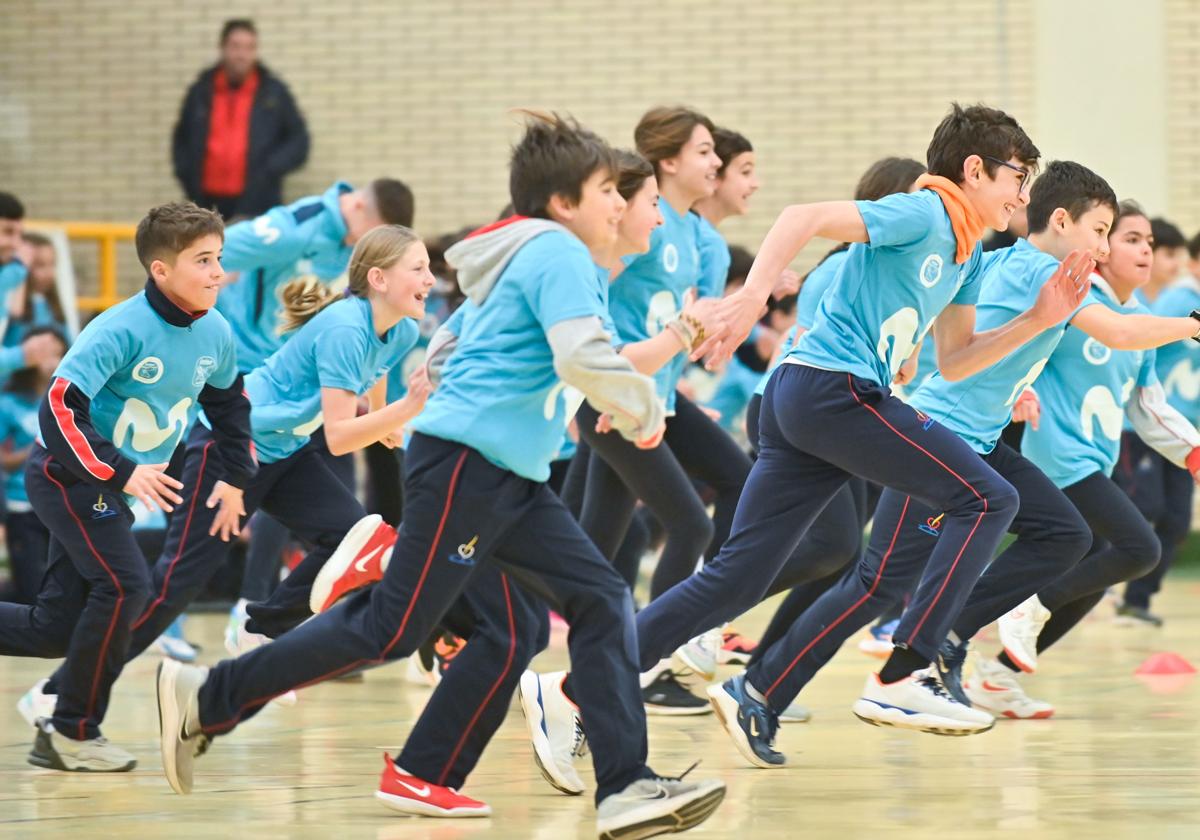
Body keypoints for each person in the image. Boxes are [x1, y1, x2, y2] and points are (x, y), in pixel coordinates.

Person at [154, 112, 725, 840]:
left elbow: (455, 343)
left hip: (502, 475)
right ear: (563, 203)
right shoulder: (557, 252)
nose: (619, 203)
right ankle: (208, 697)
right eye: (608, 189)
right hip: (467, 468)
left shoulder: (537, 255)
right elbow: (581, 357)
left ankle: (547, 780)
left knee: (554, 615)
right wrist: (644, 411)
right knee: (395, 627)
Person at [19, 224, 432, 726]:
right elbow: (343, 436)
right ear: (379, 279)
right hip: (230, 446)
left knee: (354, 535)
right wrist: (406, 410)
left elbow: (378, 373)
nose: (431, 279)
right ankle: (61, 691)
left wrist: (388, 418)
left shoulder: (403, 327)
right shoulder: (346, 327)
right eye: (419, 268)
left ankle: (257, 626)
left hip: (287, 449)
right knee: (174, 586)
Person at [0, 202, 253, 771]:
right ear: (161, 270)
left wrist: (237, 479)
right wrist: (121, 470)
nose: (218, 273)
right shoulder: (120, 327)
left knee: (54, 628)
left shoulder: (215, 331)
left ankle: (68, 720)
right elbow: (60, 407)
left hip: (108, 488)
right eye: (204, 260)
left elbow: (230, 407)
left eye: (219, 259)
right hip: (67, 476)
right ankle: (73, 731)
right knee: (126, 586)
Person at [963, 201, 1200, 715]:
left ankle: (997, 675)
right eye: (1128, 238)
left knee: (1094, 573)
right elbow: (1017, 348)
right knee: (1139, 547)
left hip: (1094, 461)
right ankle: (1016, 610)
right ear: (1101, 246)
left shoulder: (1143, 324)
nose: (1143, 250)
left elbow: (1147, 406)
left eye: (1148, 243)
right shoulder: (1073, 299)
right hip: (1051, 455)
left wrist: (1194, 453)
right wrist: (1019, 394)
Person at [1116, 227, 1200, 624]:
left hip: (1184, 432)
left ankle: (1136, 601)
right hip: (1145, 427)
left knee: (1177, 520)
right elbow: (1136, 344)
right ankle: (1091, 582)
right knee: (1144, 506)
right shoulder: (1179, 301)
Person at [172, 19, 309, 220]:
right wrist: (188, 179)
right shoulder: (201, 91)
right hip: (206, 205)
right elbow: (181, 140)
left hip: (257, 205)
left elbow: (299, 140)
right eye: (235, 46)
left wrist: (270, 170)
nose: (242, 55)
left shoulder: (273, 93)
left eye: (249, 48)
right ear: (222, 48)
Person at [0, 327, 68, 604]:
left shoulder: (68, 401)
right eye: (43, 350)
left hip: (62, 505)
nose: (50, 358)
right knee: (30, 590)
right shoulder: (8, 404)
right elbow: (3, 460)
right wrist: (40, 447)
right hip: (22, 506)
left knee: (62, 590)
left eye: (57, 351)